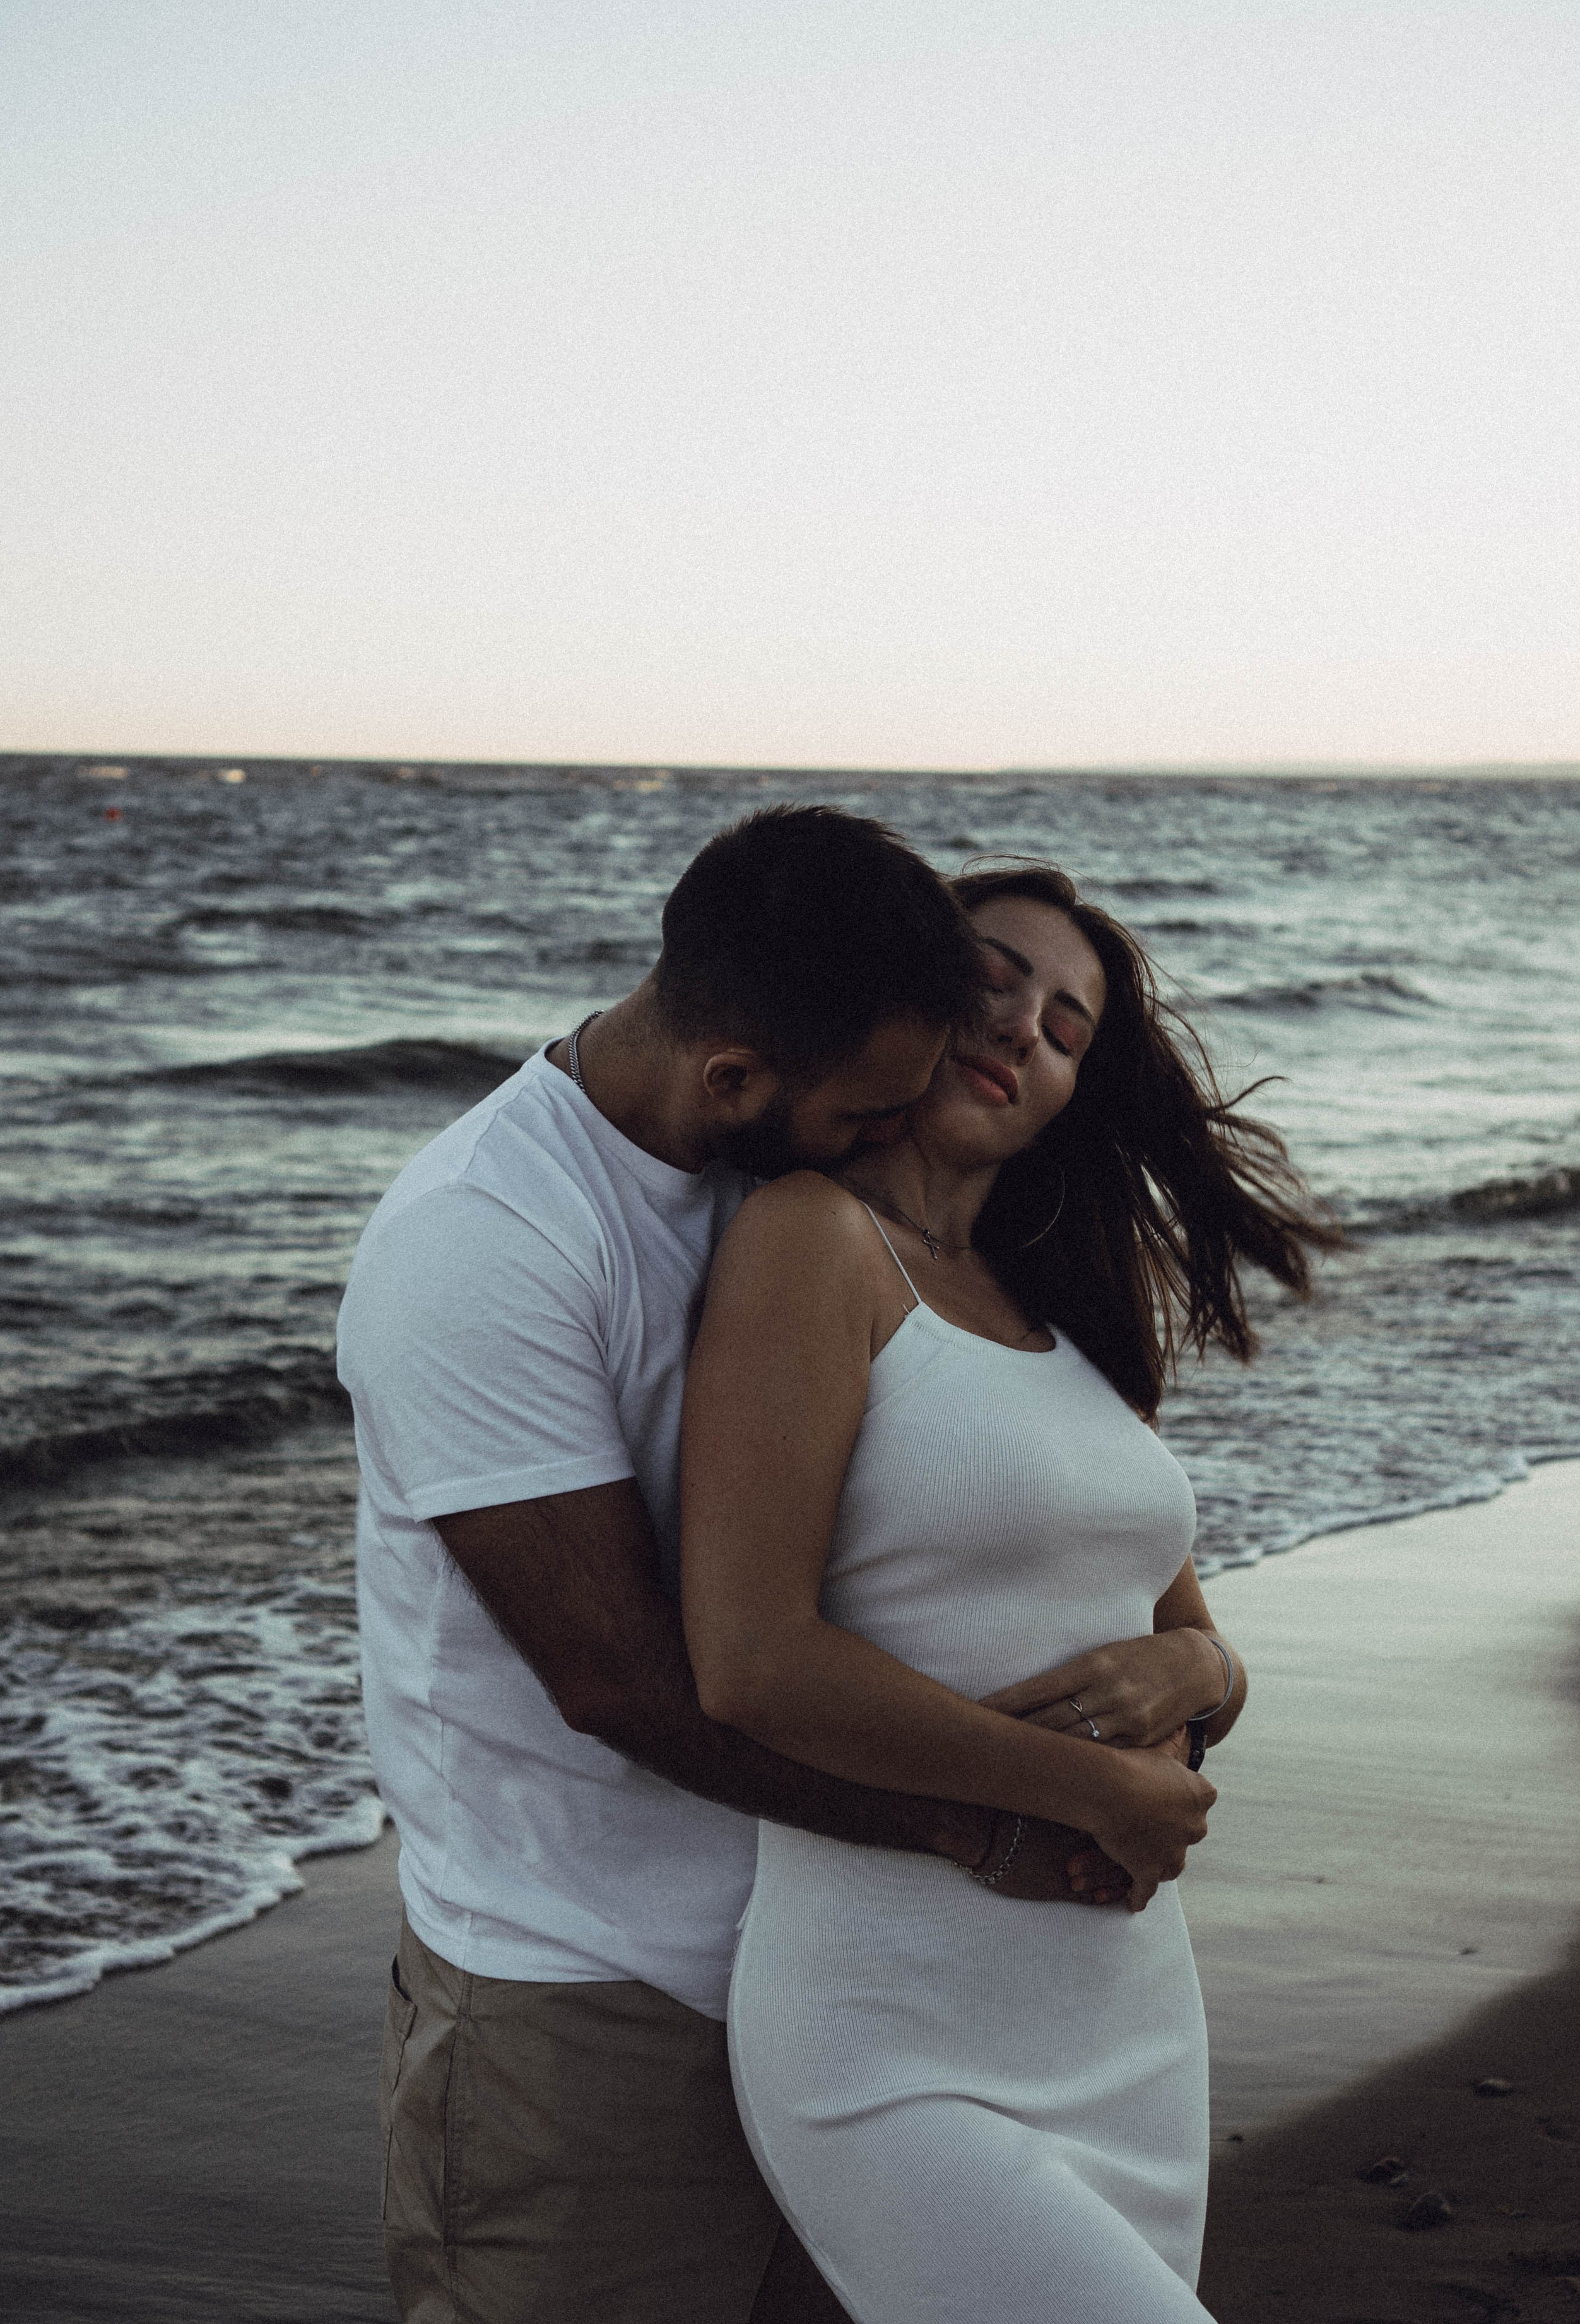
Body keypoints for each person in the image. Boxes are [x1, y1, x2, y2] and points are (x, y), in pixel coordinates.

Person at [338, 809, 1139, 2324]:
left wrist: (1186, 1669)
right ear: (734, 1077)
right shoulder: (484, 1241)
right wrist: (991, 1829)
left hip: (834, 1978)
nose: (881, 1133)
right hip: (587, 1999)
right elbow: (617, 1681)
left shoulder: (786, 1194)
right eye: (863, 1110)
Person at [680, 861, 1340, 2324]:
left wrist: (1205, 1683)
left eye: (1067, 1025)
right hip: (893, 2028)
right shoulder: (811, 1238)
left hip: (1123, 2020)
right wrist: (1081, 1788)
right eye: (995, 975)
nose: (1023, 1028)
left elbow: (1183, 1637)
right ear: (903, 993)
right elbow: (749, 1659)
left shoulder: (1059, 1307)